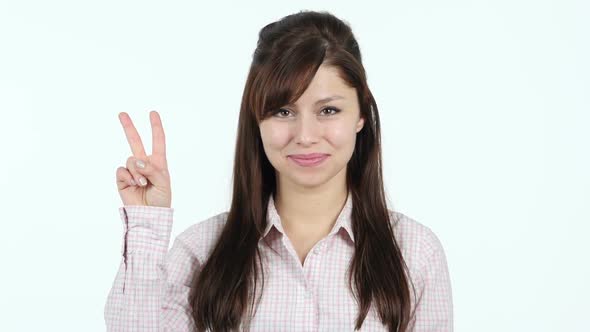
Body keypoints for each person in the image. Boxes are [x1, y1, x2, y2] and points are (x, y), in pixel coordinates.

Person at [104, 10, 453, 332]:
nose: (304, 136)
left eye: (328, 110)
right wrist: (146, 223)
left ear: (360, 115)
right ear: (256, 119)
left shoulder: (414, 252)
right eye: (283, 112)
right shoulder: (202, 251)